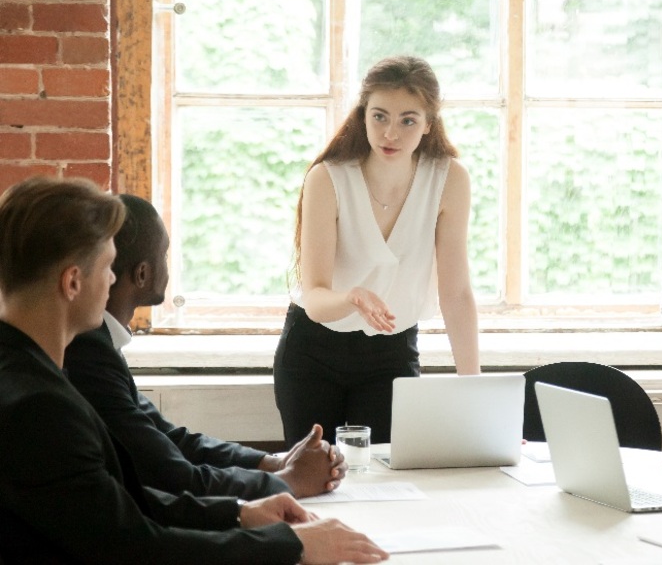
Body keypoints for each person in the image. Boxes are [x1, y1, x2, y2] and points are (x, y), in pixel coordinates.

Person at [0, 177, 389, 564]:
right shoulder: (39, 406)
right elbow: (132, 546)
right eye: (107, 267)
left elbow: (113, 502)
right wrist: (294, 546)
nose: (114, 279)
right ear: (72, 281)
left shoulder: (29, 372)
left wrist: (238, 514)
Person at [64, 194, 347, 501]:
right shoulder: (88, 351)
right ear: (142, 274)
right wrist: (288, 482)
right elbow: (171, 475)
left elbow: (169, 438)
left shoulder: (102, 343)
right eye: (165, 255)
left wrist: (272, 463)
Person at [274, 55, 481, 445]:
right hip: (313, 352)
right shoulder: (328, 178)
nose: (391, 133)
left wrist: (475, 395)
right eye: (380, 117)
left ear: (428, 124)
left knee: (386, 481)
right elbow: (315, 298)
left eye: (408, 120)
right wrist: (352, 297)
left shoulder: (449, 179)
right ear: (362, 115)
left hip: (391, 354)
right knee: (315, 480)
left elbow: (456, 294)